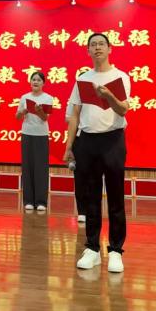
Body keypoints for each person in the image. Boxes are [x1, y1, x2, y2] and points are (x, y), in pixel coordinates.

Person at [63, 32, 130, 274]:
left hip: (113, 140)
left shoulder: (120, 76)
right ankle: (92, 247)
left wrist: (108, 95)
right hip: (87, 141)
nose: (97, 47)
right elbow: (75, 114)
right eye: (93, 45)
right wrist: (69, 146)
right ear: (88, 51)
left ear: (110, 49)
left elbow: (123, 110)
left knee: (115, 196)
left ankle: (115, 250)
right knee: (89, 196)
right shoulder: (83, 79)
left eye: (102, 44)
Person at [16, 71, 55, 211]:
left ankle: (41, 202)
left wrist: (39, 111)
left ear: (43, 83)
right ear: (30, 82)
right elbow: (17, 117)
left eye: (38, 80)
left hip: (41, 134)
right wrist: (24, 111)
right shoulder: (24, 97)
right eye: (33, 79)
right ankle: (28, 201)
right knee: (27, 166)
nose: (35, 82)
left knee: (41, 167)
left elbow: (45, 118)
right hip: (27, 133)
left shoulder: (48, 98)